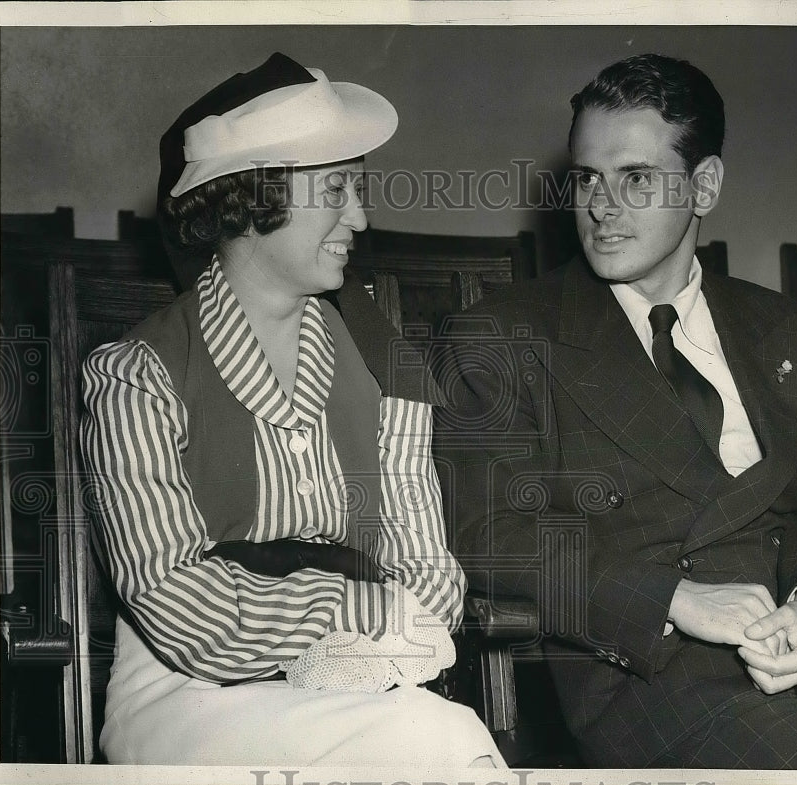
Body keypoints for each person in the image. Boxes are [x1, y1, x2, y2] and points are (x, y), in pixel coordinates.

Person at [436, 53, 797, 769]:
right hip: (655, 658)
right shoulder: (506, 333)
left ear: (704, 186)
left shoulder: (779, 326)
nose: (601, 207)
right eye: (586, 179)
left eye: (635, 178)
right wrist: (675, 596)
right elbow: (484, 530)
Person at [80, 52, 502, 768]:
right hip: (185, 692)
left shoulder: (383, 368)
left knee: (437, 735)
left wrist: (381, 643)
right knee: (441, 741)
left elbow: (424, 565)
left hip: (363, 678)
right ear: (252, 196)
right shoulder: (137, 375)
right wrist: (356, 611)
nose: (360, 217)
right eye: (337, 187)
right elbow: (175, 600)